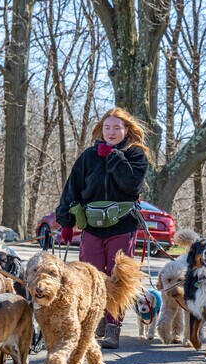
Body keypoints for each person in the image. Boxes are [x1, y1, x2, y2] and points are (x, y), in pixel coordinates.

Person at [55, 107, 150, 349]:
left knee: (117, 277)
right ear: (101, 129)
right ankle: (93, 321)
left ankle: (113, 327)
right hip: (92, 227)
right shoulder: (88, 156)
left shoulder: (136, 155)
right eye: (107, 127)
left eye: (116, 128)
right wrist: (66, 222)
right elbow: (73, 188)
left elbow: (131, 184)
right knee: (89, 276)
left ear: (126, 130)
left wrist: (113, 156)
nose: (111, 132)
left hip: (123, 224)